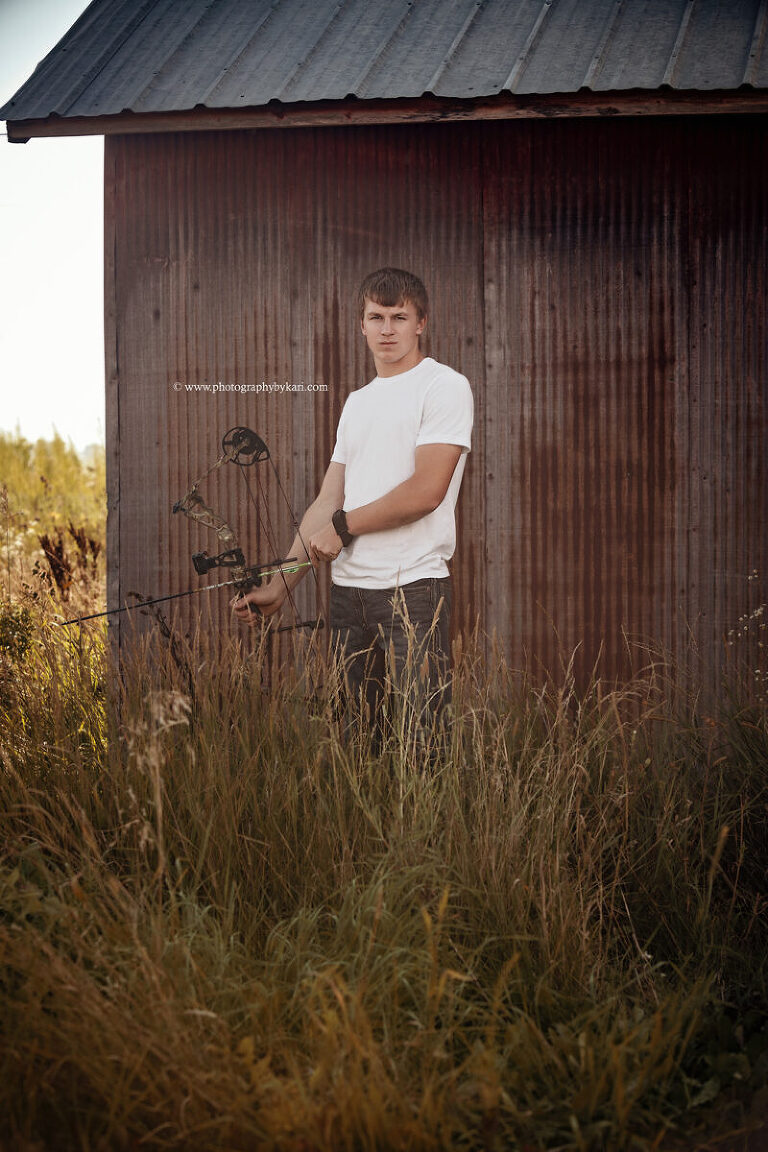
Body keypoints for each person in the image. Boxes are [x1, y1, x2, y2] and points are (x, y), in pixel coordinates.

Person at [233, 267, 473, 734]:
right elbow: (327, 501)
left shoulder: (443, 386)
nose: (387, 329)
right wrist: (281, 587)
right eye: (376, 317)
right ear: (361, 325)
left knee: (421, 747)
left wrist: (343, 528)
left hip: (414, 591)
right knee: (357, 746)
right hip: (348, 597)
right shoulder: (357, 403)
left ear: (421, 322)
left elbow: (426, 492)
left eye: (399, 317)